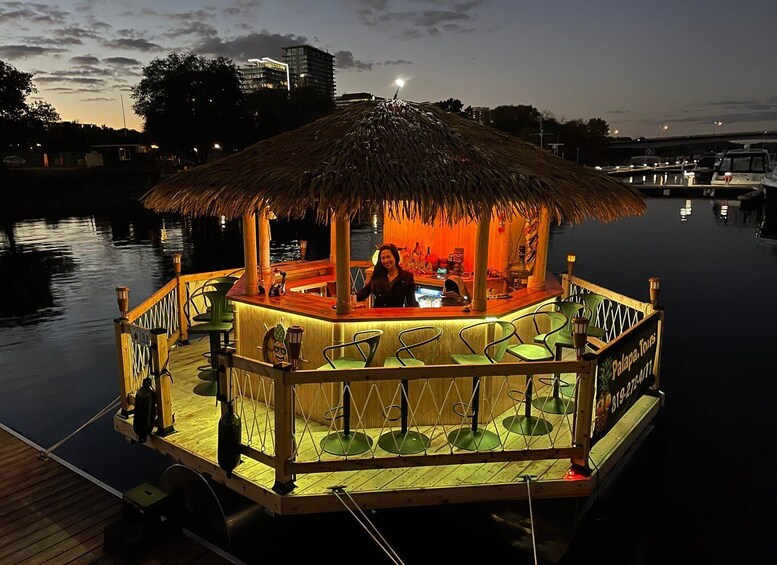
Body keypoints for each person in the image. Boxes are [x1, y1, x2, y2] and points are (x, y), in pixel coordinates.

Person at [356, 243, 419, 307]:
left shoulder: (406, 277)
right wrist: (350, 299)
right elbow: (365, 291)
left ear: (395, 257)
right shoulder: (378, 274)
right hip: (377, 314)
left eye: (388, 257)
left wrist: (420, 313)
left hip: (395, 315)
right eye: (383, 258)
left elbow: (411, 301)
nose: (386, 261)